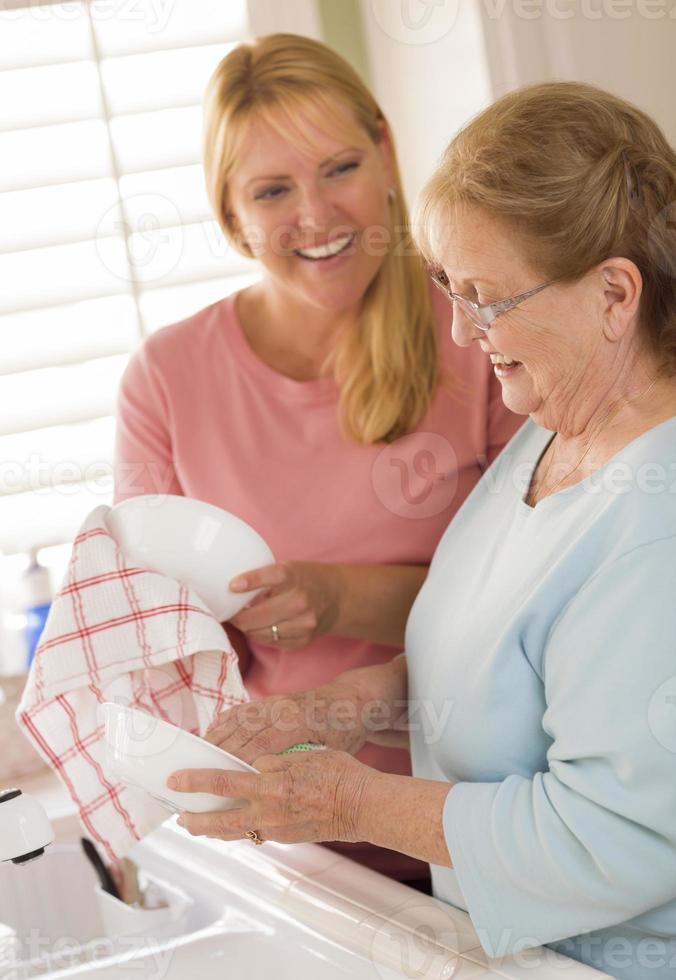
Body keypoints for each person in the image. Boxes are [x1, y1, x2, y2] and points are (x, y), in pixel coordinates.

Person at [166, 81, 676, 980]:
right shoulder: (549, 430)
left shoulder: (654, 522)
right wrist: (361, 702)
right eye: (449, 287)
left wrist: (355, 804)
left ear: (614, 294)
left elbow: (611, 834)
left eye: (487, 298)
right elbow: (518, 670)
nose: (460, 329)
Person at [113, 33, 520, 890]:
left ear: (385, 152)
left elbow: (532, 602)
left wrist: (335, 596)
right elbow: (152, 637)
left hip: (479, 817)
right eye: (272, 189)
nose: (317, 216)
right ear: (231, 216)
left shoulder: (482, 331)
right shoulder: (168, 378)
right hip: (283, 840)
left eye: (338, 168)